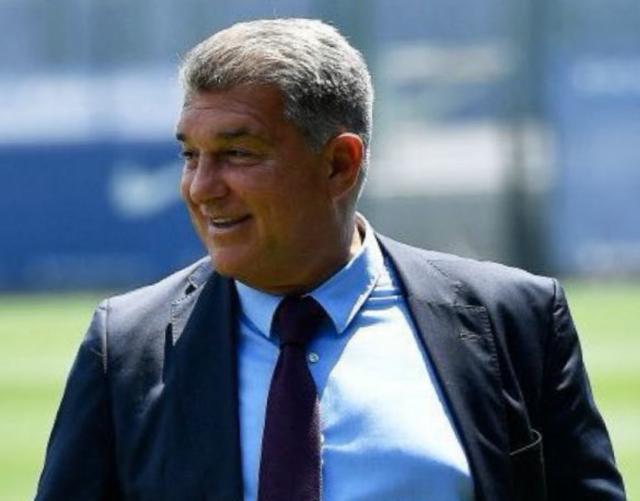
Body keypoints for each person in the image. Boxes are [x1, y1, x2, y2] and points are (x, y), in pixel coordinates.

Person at [36, 18, 625, 501]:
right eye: (191, 156)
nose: (201, 187)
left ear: (340, 164)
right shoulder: (126, 346)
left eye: (238, 153)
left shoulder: (514, 320)